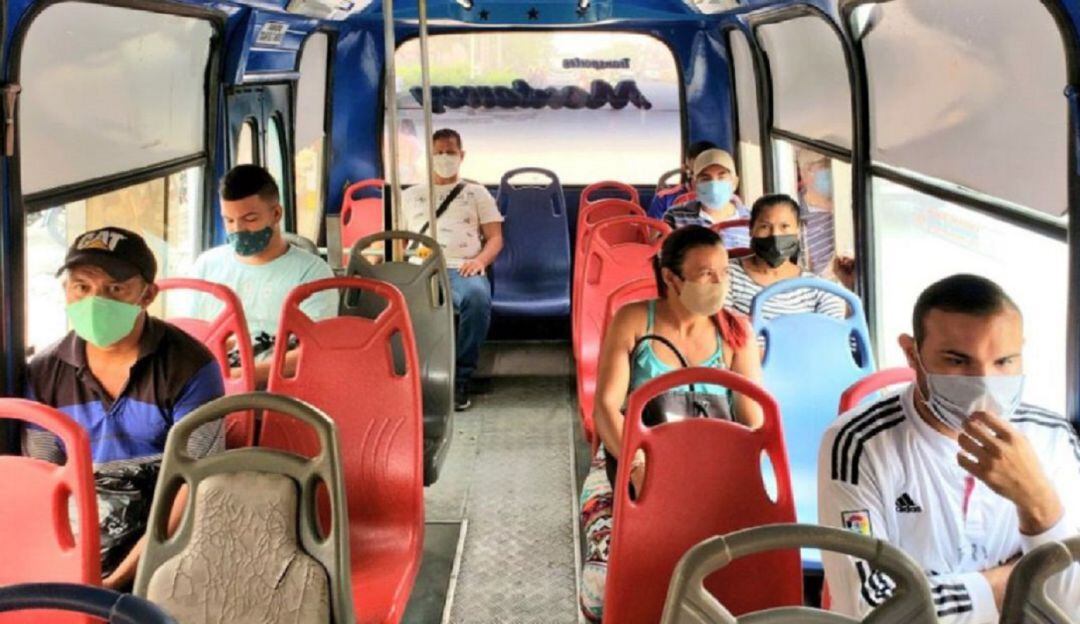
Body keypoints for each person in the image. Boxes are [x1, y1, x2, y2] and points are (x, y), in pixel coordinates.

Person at [819, 274, 1080, 622]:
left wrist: (1036, 500)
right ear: (912, 354)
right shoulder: (859, 445)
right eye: (957, 361)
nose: (984, 384)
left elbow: (1072, 604)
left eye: (1004, 362)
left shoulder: (1053, 438)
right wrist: (1018, 580)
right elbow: (872, 610)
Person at [579, 225, 764, 622]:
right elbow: (606, 408)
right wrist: (637, 466)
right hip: (634, 455)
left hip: (710, 464)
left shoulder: (736, 332)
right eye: (705, 274)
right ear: (671, 278)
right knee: (606, 573)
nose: (718, 283)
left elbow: (752, 422)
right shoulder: (634, 321)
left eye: (723, 273)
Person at [24, 227, 225, 589]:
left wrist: (119, 578)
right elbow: (45, 480)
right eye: (81, 287)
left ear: (147, 295)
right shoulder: (43, 373)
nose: (95, 301)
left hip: (165, 533)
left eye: (115, 289)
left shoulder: (190, 367)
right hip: (79, 536)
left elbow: (194, 484)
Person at [188, 165, 337, 387]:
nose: (238, 229)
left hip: (279, 389)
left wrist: (238, 376)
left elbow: (313, 351)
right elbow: (191, 336)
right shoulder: (206, 265)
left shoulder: (313, 273)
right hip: (213, 384)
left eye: (250, 219)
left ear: (276, 214)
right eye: (229, 221)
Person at [402, 128, 504, 410]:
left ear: (462, 155)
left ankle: (460, 377)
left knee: (477, 298)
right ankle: (412, 377)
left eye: (450, 152)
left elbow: (495, 238)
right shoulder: (409, 196)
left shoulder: (476, 193)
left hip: (463, 266)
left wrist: (480, 261)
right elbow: (398, 242)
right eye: (439, 153)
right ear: (430, 156)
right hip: (419, 267)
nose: (445, 158)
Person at [724, 194, 847, 320]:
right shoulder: (725, 275)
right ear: (751, 229)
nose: (775, 235)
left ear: (798, 230)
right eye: (765, 226)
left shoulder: (818, 288)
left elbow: (831, 329)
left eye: (784, 227)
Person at [663, 148, 751, 248]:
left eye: (721, 178)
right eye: (705, 179)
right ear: (694, 184)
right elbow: (665, 253)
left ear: (735, 183)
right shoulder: (675, 216)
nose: (714, 185)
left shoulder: (752, 219)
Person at [647, 140, 717, 219]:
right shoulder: (665, 197)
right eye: (699, 161)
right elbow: (654, 225)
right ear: (688, 163)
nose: (702, 166)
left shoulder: (724, 199)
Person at [796, 149, 838, 277]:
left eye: (831, 165)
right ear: (804, 173)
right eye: (824, 166)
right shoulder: (795, 213)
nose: (831, 170)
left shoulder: (849, 204)